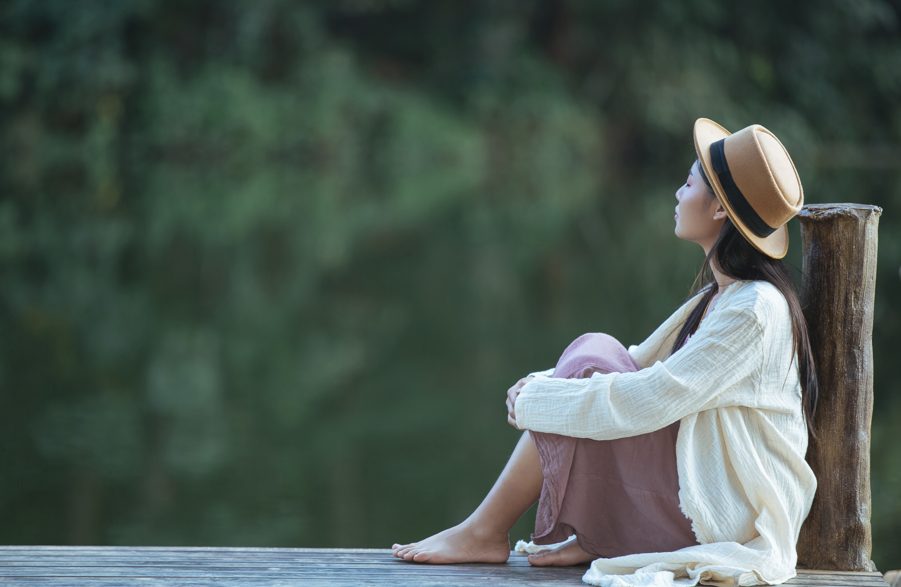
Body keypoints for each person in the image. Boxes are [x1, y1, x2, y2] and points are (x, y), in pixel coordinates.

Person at [391, 118, 819, 587]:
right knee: (594, 355)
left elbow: (653, 396)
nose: (677, 194)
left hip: (723, 515)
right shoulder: (726, 296)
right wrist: (544, 382)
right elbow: (641, 362)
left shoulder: (753, 311)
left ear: (719, 209)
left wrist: (541, 400)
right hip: (700, 489)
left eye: (688, 183)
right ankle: (588, 534)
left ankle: (484, 531)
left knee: (590, 365)